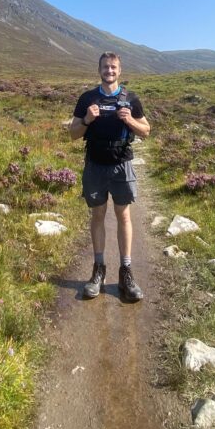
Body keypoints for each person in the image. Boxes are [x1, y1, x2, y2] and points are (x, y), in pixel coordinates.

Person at [68, 51, 151, 301]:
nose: (109, 71)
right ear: (99, 70)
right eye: (105, 67)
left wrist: (130, 122)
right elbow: (73, 133)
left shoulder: (131, 99)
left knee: (123, 215)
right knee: (98, 215)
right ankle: (98, 269)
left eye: (113, 67)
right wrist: (86, 118)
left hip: (121, 164)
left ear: (120, 70)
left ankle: (126, 272)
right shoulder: (87, 98)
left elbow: (146, 131)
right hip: (95, 165)